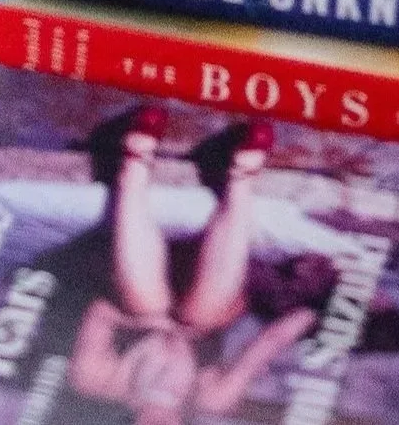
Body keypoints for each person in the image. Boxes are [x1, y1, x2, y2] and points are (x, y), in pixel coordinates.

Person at [65, 110, 317, 422]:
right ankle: (242, 175)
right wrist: (319, 311)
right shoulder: (212, 399)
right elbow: (267, 345)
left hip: (135, 277)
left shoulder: (95, 380)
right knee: (205, 313)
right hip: (208, 286)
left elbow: (99, 313)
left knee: (147, 302)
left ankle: (135, 159)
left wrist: (149, 324)